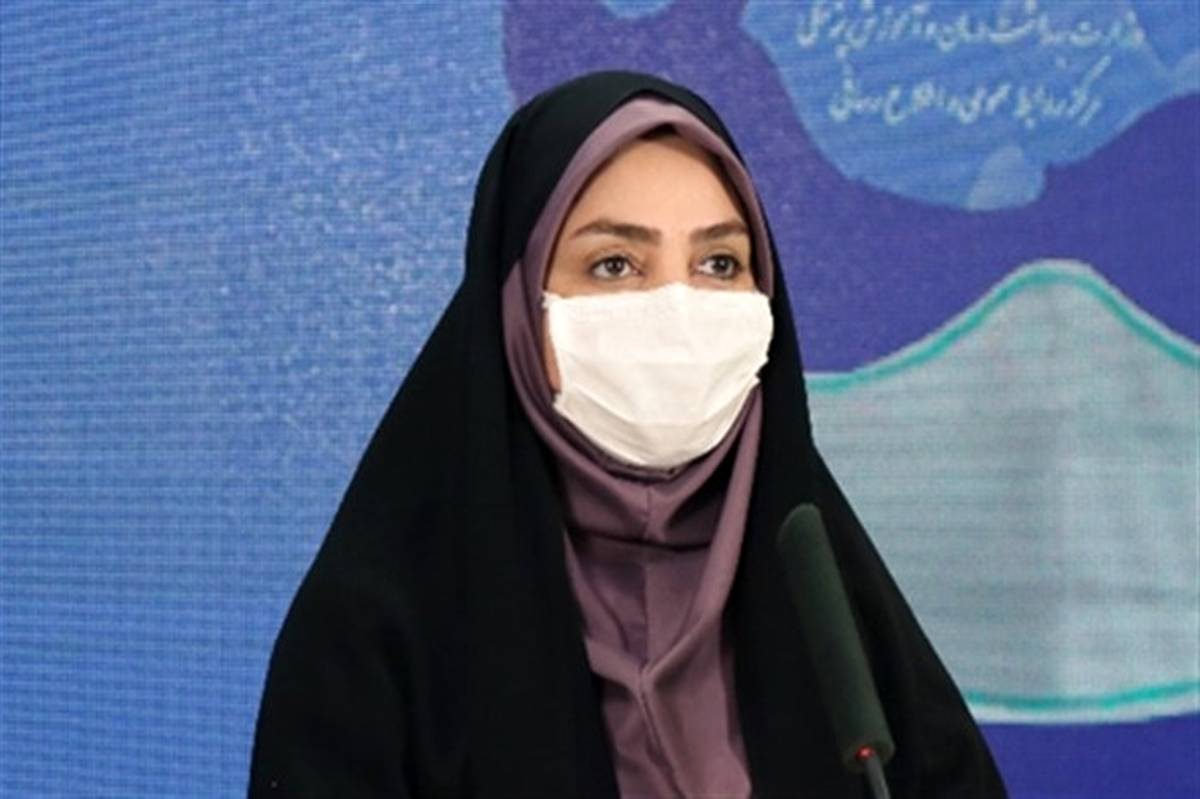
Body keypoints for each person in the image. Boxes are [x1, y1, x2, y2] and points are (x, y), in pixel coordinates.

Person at [249, 71, 1007, 798]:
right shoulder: (373, 636)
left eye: (719, 262)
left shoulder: (837, 617)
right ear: (517, 307)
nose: (677, 310)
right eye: (614, 264)